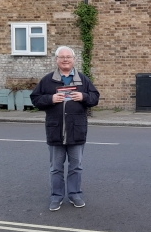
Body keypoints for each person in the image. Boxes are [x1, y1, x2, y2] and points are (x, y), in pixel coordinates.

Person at [30, 46, 101, 211]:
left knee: (76, 166)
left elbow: (95, 98)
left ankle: (75, 194)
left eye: (68, 57)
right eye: (61, 57)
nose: (65, 60)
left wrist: (83, 96)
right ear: (57, 60)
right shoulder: (48, 80)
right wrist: (51, 98)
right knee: (56, 168)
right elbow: (35, 99)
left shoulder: (83, 80)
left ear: (74, 59)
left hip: (77, 131)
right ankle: (56, 196)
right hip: (55, 131)